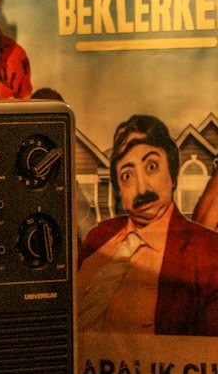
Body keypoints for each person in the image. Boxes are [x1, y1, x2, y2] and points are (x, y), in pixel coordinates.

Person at [77, 114, 218, 336]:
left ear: (172, 174)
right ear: (119, 191)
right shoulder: (98, 237)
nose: (142, 188)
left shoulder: (208, 252)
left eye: (151, 166)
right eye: (127, 175)